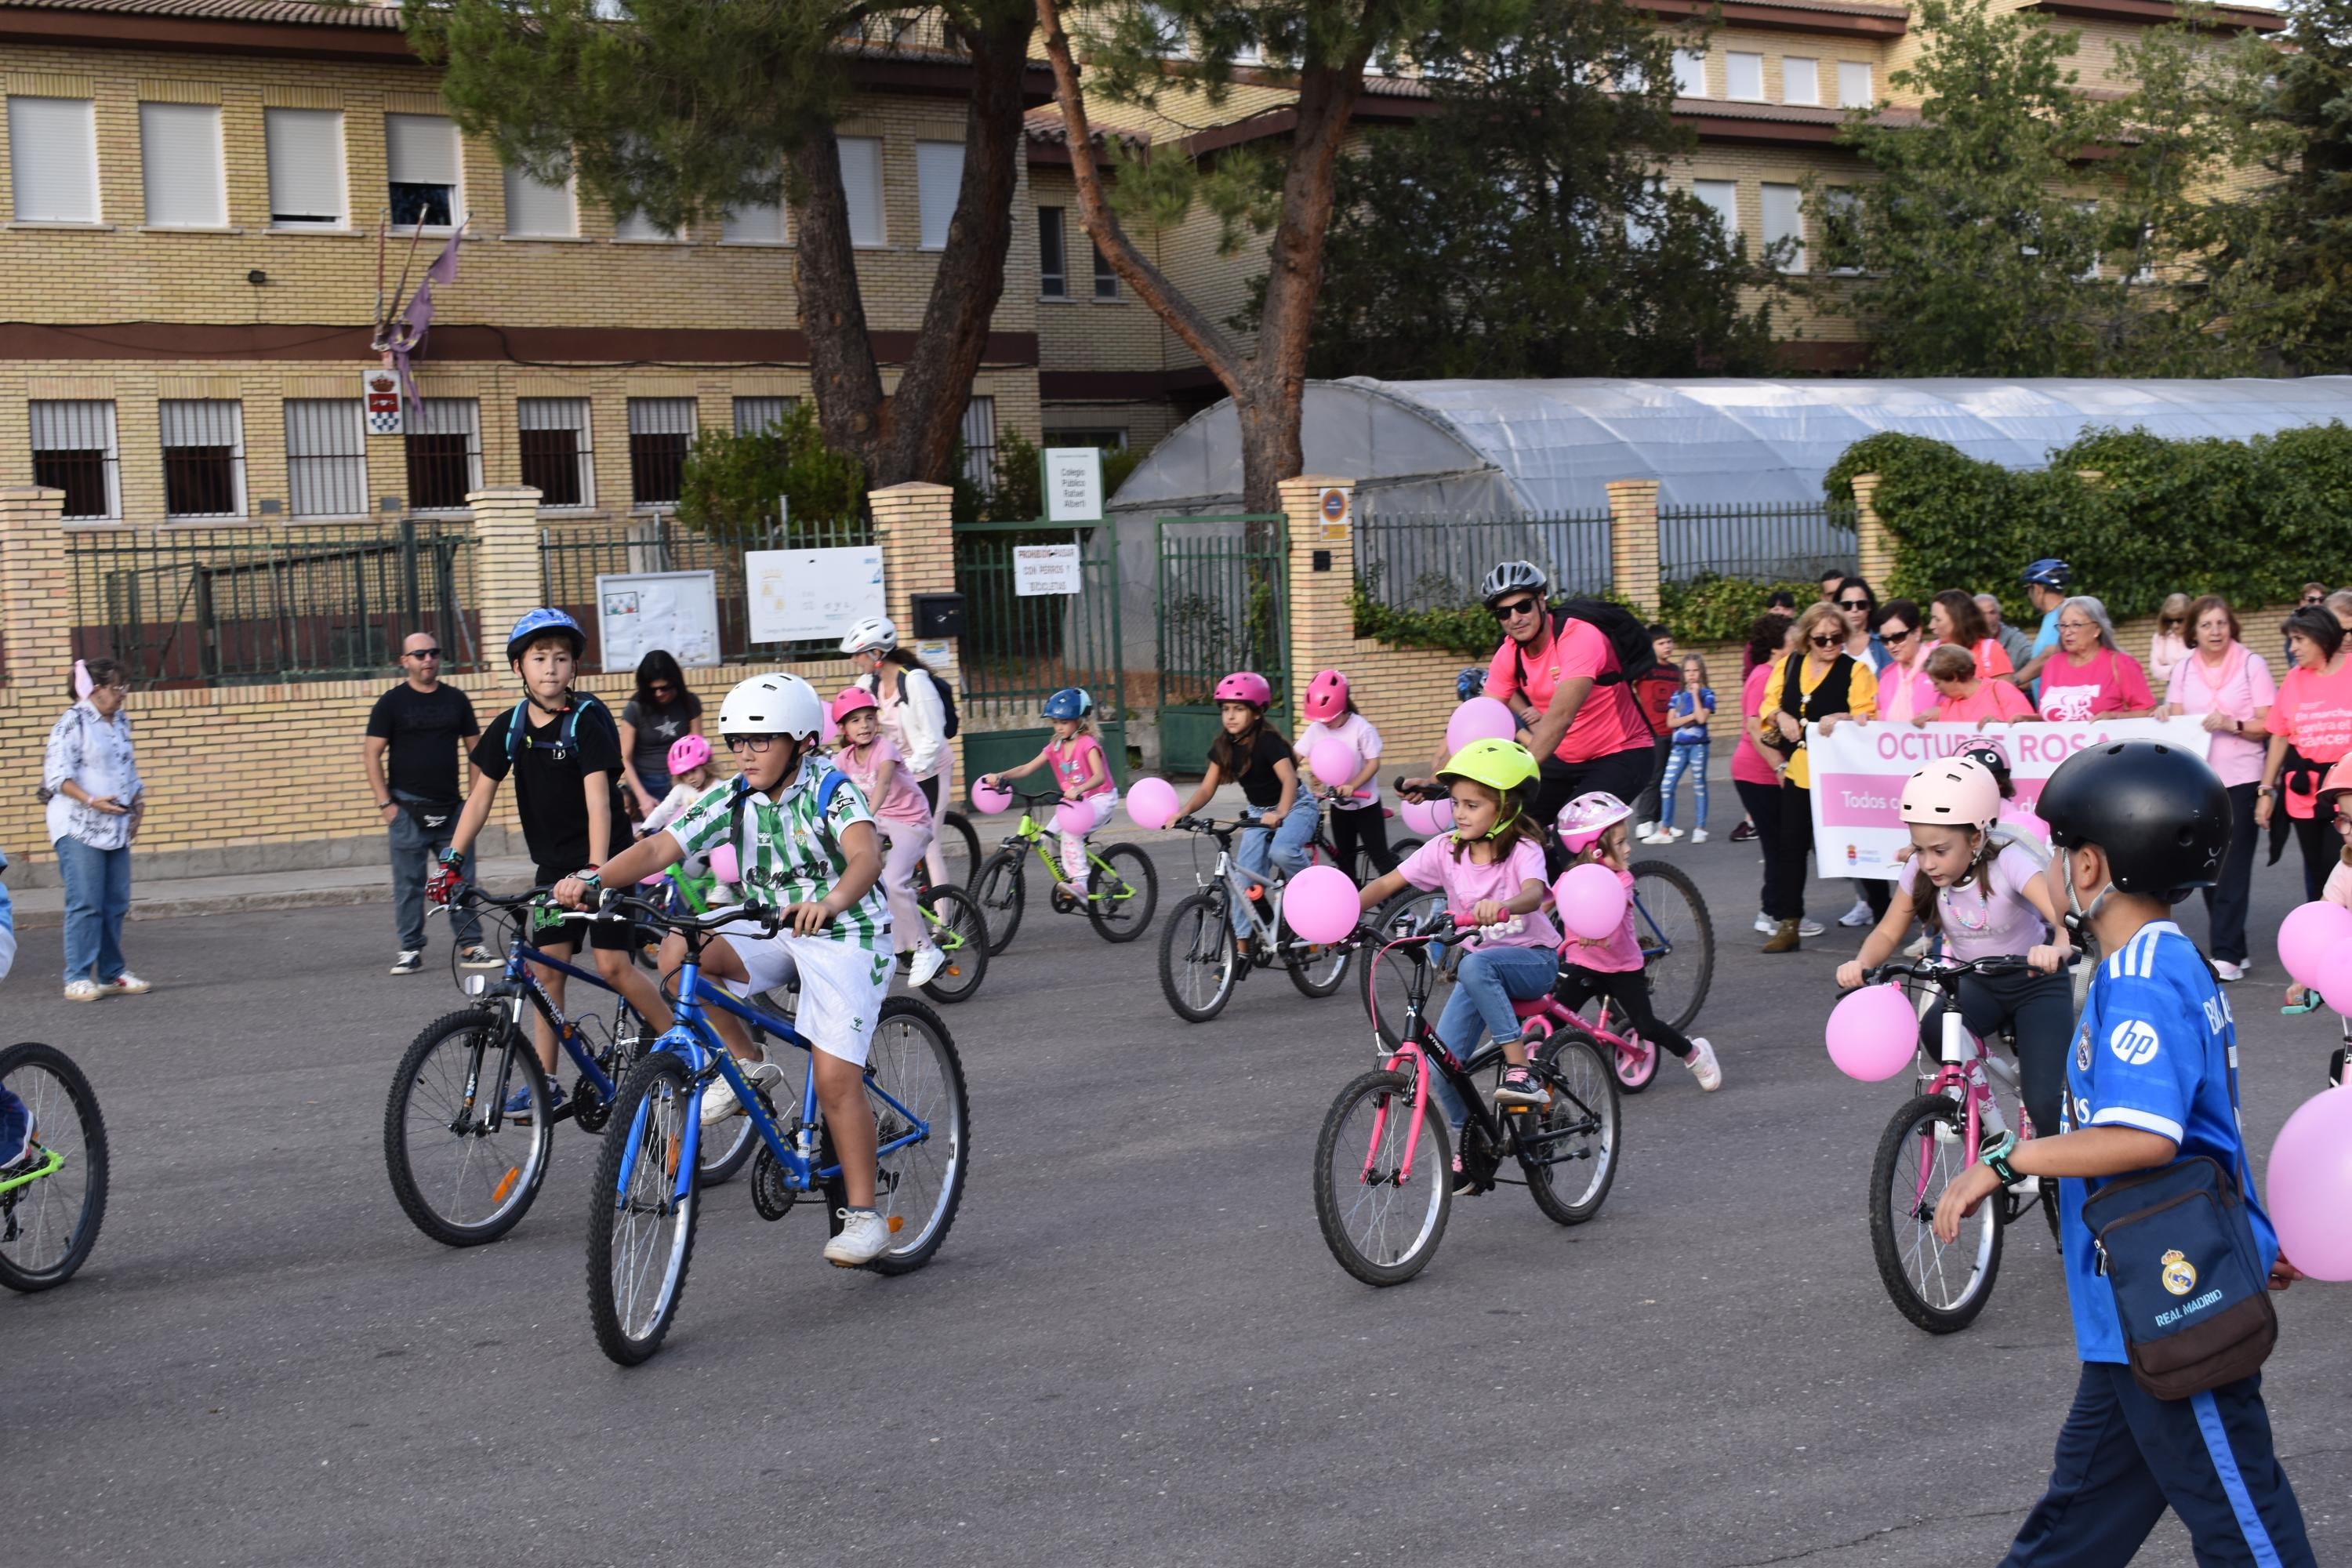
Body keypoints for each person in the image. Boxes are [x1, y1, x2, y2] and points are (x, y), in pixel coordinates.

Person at [1933, 740, 2314, 1568]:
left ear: (2095, 863)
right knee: (2076, 1523)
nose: (2055, 867)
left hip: (2172, 1297)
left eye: (2063, 850)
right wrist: (2252, 1233)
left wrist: (2004, 1161)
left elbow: (2148, 1135)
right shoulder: (2149, 962)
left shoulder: (2143, 974)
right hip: (2133, 1306)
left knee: (2244, 1524)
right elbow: (2209, 1117)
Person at [554, 671, 898, 1269]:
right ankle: (745, 1061)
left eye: (760, 740)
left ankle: (865, 1216)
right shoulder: (734, 793)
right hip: (775, 926)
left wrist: (831, 901)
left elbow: (864, 854)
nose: (745, 752)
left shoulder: (830, 788)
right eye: (737, 740)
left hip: (846, 933)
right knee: (677, 952)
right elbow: (660, 847)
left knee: (835, 1078)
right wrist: (593, 878)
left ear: (802, 742)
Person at [431, 609, 670, 1118]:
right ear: (519, 666)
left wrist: (596, 871)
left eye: (561, 659)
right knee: (543, 972)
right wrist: (452, 857)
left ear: (574, 667)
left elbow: (599, 802)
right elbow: (478, 798)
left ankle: (684, 1050)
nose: (551, 669)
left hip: (609, 866)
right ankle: (549, 1081)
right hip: (551, 875)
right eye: (539, 659)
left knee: (613, 966)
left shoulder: (588, 720)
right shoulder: (511, 726)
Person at [1837, 757, 2074, 1140]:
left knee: (2045, 1102)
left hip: (2036, 984)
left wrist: (2058, 950)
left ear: (1976, 838)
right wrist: (1861, 963)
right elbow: (1887, 931)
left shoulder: (2009, 862)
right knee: (1934, 1029)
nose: (1928, 862)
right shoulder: (1920, 870)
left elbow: (2063, 920)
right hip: (1975, 983)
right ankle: (1986, 1121)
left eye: (1940, 850)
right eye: (1919, 849)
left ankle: (2066, 1188)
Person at [1354, 739, 1559, 1122]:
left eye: (1472, 805)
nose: (1460, 814)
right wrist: (1344, 913)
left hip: (1533, 960)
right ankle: (1473, 1148)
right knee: (1443, 1066)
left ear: (1505, 808)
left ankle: (1522, 1071)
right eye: (1456, 804)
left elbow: (1533, 894)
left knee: (1474, 967)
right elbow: (1386, 884)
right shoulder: (1446, 849)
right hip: (1479, 969)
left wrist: (1504, 905)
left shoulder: (1523, 849)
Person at [1462, 561, 1655, 839]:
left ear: (1542, 600)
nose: (1515, 618)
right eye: (1504, 613)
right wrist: (1439, 777)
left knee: (1573, 834)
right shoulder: (1509, 653)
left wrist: (1512, 777)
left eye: (1523, 606)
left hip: (1621, 754)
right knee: (1510, 830)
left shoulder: (1578, 636)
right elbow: (1477, 719)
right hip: (1563, 758)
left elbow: (1560, 717)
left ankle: (1609, 881)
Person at [1553, 792, 1722, 1090]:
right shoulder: (1571, 880)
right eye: (1620, 843)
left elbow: (1613, 917)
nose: (1629, 849)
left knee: (1645, 1026)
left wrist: (1597, 934)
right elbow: (1549, 900)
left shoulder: (1622, 881)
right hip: (1585, 964)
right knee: (1553, 1018)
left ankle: (1693, 1053)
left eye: (1626, 841)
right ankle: (1543, 1076)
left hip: (1622, 968)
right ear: (1595, 852)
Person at [1755, 602, 1879, 953]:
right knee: (1790, 847)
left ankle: (1884, 913)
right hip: (1800, 771)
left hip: (1842, 777)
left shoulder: (1855, 671)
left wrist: (1843, 716)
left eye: (1836, 638)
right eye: (1821, 638)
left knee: (1857, 845)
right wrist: (1780, 716)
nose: (1829, 645)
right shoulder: (1789, 665)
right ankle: (1789, 923)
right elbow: (1768, 704)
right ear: (1807, 638)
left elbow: (1867, 715)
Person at [364, 630, 491, 975]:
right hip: (406, 809)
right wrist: (385, 805)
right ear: (405, 661)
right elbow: (371, 754)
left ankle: (471, 945)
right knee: (409, 885)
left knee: (460, 879)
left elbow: (476, 752)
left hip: (452, 810)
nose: (428, 660)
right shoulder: (391, 703)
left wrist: (473, 800)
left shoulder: (456, 700)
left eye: (434, 653)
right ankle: (409, 949)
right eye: (419, 655)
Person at [2166, 596, 2272, 981]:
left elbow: (2269, 722)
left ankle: (2225, 952)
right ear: (2193, 630)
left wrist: (2233, 724)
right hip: (2197, 780)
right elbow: (2175, 719)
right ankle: (2236, 948)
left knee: (2232, 866)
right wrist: (2164, 714)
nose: (2215, 631)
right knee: (2207, 866)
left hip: (2241, 778)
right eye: (2207, 625)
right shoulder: (2183, 670)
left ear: (2232, 627)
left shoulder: (2250, 664)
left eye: (2221, 623)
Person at [1172, 672, 1314, 953]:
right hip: (1258, 813)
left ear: (1258, 712)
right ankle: (1242, 945)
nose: (1230, 716)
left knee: (1282, 852)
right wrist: (1183, 812)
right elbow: (1206, 789)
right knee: (1242, 878)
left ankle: (1315, 894)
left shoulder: (1269, 742)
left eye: (1238, 709)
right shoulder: (1224, 746)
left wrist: (1282, 812)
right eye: (1226, 710)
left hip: (1295, 805)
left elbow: (1288, 779)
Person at [41, 658, 147, 1002]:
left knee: (115, 901)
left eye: (124, 687)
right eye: (117, 687)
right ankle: (76, 977)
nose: (122, 694)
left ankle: (112, 973)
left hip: (114, 823)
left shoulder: (119, 722)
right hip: (78, 825)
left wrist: (139, 804)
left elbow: (127, 767)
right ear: (96, 688)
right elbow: (57, 776)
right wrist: (91, 800)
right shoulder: (73, 722)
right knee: (86, 902)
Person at [836, 687, 946, 990]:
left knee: (893, 880)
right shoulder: (843, 758)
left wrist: (865, 816)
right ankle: (888, 935)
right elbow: (827, 787)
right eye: (855, 720)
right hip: (879, 820)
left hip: (910, 820)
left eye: (869, 718)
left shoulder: (885, 749)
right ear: (843, 729)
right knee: (853, 874)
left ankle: (926, 948)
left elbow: (883, 782)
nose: (864, 725)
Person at [840, 616, 957, 888]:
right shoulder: (868, 683)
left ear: (876, 653)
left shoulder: (915, 682)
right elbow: (852, 720)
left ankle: (945, 925)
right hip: (893, 770)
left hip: (928, 769)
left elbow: (933, 739)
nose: (855, 661)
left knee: (928, 845)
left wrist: (907, 767)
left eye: (858, 655)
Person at [981, 684, 1120, 899]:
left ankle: (1081, 883)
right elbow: (1026, 768)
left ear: (1080, 721)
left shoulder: (1087, 744)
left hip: (1100, 797)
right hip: (1075, 803)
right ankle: (1074, 874)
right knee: (1048, 838)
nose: (1059, 727)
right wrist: (1001, 775)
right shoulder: (1055, 747)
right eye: (1055, 722)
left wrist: (1079, 788)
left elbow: (1099, 776)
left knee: (1071, 831)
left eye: (1064, 722)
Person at [2256, 604, 2352, 902]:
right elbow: (2280, 736)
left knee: (2343, 865)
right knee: (2318, 870)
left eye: (2299, 639)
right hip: (2305, 794)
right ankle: (2327, 936)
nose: (2292, 648)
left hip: (2346, 793)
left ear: (2321, 637)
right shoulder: (2294, 679)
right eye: (2291, 640)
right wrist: (2265, 791)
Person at [1732, 613, 1820, 935]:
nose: (1798, 638)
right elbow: (1755, 728)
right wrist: (1779, 767)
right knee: (1780, 846)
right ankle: (1777, 913)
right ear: (1775, 644)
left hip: (1763, 773)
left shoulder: (1777, 672)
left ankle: (1777, 911)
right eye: (1792, 634)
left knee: (1783, 845)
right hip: (1759, 774)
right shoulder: (1763, 676)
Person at [1295, 670, 1396, 877]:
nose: (1324, 723)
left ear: (1341, 706)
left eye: (1328, 718)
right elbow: (1293, 757)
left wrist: (1353, 786)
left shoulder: (1361, 728)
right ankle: (1354, 905)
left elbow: (1373, 763)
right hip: (1339, 806)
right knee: (1345, 863)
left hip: (1366, 806)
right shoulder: (1316, 729)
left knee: (1381, 859)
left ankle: (1403, 909)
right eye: (1320, 719)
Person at [2285, 757, 2352, 1009]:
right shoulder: (2347, 868)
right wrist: (2304, 977)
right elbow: (2323, 923)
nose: (2350, 831)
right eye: (2344, 820)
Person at [2036, 597, 2157, 722]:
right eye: (2063, 625)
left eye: (2076, 625)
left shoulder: (2121, 663)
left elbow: (2149, 712)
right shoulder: (2053, 665)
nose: (2067, 632)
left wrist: (2115, 717)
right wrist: (2027, 721)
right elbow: (2047, 717)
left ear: (2097, 629)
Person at [616, 650, 702, 820]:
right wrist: (642, 797)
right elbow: (624, 758)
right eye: (652, 689)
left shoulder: (690, 702)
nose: (659, 694)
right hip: (646, 783)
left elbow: (697, 749)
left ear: (675, 682)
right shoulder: (635, 708)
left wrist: (698, 786)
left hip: (681, 780)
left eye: (665, 688)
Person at [1647, 653, 1713, 844]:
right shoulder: (1677, 695)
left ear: (1701, 672)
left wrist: (1694, 695)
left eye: (1695, 670)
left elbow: (1702, 718)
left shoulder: (1707, 694)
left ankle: (1700, 828)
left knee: (1699, 785)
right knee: (1667, 785)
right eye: (1687, 671)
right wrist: (1689, 717)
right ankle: (1665, 830)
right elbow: (1670, 721)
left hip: (1698, 747)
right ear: (1683, 674)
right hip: (1679, 747)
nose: (1691, 674)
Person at [1630, 624, 1682, 838]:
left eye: (1669, 642)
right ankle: (1644, 820)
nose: (1667, 646)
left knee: (1668, 779)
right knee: (1654, 777)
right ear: (1651, 647)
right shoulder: (1645, 668)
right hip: (1654, 732)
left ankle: (1663, 822)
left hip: (1674, 732)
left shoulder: (1675, 671)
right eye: (1661, 643)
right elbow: (1626, 686)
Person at [1918, 643, 2038, 727]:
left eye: (1937, 683)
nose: (1935, 689)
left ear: (1954, 677)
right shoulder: (1949, 705)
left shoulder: (2001, 691)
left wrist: (2001, 728)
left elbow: (2027, 733)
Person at [2011, 558, 2074, 695]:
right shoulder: (2051, 617)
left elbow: (2049, 656)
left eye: (2028, 589)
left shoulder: (2063, 614)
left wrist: (2013, 681)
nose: (2028, 595)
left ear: (2038, 589)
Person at [1871, 600, 1936, 725]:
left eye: (1898, 637)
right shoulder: (1886, 675)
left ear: (1917, 632)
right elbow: (1878, 719)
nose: (1891, 645)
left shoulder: (1942, 664)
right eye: (1885, 639)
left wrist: (1942, 712)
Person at [1929, 590, 2015, 681]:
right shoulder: (1929, 652)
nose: (1931, 626)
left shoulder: (1991, 651)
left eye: (1938, 620)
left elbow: (2005, 692)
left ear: (1958, 620)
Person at [1831, 576, 1892, 672]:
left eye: (1861, 604)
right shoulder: (1830, 642)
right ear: (1838, 608)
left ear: (1869, 606)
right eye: (1847, 605)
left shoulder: (1884, 639)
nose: (1854, 610)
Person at [1979, 593, 2034, 671]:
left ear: (1999, 615)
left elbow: (2034, 662)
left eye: (1992, 612)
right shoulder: (1966, 641)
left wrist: (2016, 681)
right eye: (1982, 614)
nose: (1989, 619)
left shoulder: (2016, 639)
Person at [2147, 593, 2190, 691]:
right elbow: (2155, 669)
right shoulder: (2160, 637)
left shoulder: (2197, 635)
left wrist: (2168, 668)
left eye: (2180, 620)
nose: (2175, 625)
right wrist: (2177, 671)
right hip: (2172, 687)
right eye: (2170, 621)